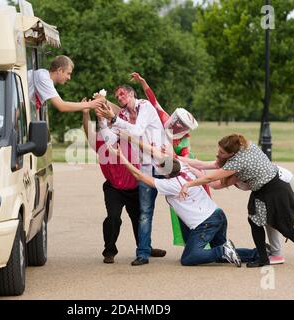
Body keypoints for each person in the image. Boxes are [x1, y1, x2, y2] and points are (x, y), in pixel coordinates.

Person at [178, 134, 294, 269]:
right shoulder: (247, 146)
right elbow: (214, 167)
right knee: (254, 221)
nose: (219, 154)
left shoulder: (237, 163)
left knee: (286, 229)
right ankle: (263, 259)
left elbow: (212, 179)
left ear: (232, 153)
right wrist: (177, 159)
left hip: (274, 191)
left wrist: (188, 184)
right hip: (265, 190)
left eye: (222, 152)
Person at [109, 143, 259, 267]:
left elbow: (139, 175)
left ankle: (222, 251)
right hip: (217, 215)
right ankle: (258, 253)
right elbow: (156, 153)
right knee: (220, 253)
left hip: (205, 223)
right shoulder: (182, 166)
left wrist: (121, 157)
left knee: (190, 258)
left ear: (166, 174)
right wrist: (136, 141)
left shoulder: (171, 184)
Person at [96, 85, 168, 266]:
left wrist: (112, 117)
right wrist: (103, 122)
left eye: (122, 93)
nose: (119, 97)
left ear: (131, 93)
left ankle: (197, 243)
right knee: (144, 213)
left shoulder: (145, 106)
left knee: (180, 204)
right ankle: (143, 253)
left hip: (163, 164)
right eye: (117, 95)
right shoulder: (121, 117)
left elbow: (137, 130)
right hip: (144, 169)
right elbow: (111, 140)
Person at [130, 72, 204, 247]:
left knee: (183, 209)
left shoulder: (184, 140)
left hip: (172, 168)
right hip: (152, 164)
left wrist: (172, 156)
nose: (176, 125)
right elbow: (153, 101)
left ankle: (191, 243)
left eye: (180, 125)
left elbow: (184, 162)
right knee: (147, 211)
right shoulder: (164, 118)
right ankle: (145, 250)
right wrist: (143, 83)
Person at [81, 107, 140, 264]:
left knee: (139, 219)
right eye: (102, 119)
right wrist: (85, 114)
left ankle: (144, 248)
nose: (105, 120)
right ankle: (109, 251)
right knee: (113, 218)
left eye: (108, 117)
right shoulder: (100, 140)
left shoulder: (128, 136)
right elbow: (88, 132)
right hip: (113, 187)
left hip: (134, 186)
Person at [28, 55, 103, 112]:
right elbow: (62, 106)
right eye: (68, 73)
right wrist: (89, 104)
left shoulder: (44, 77)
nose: (69, 78)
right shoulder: (43, 78)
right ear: (60, 70)